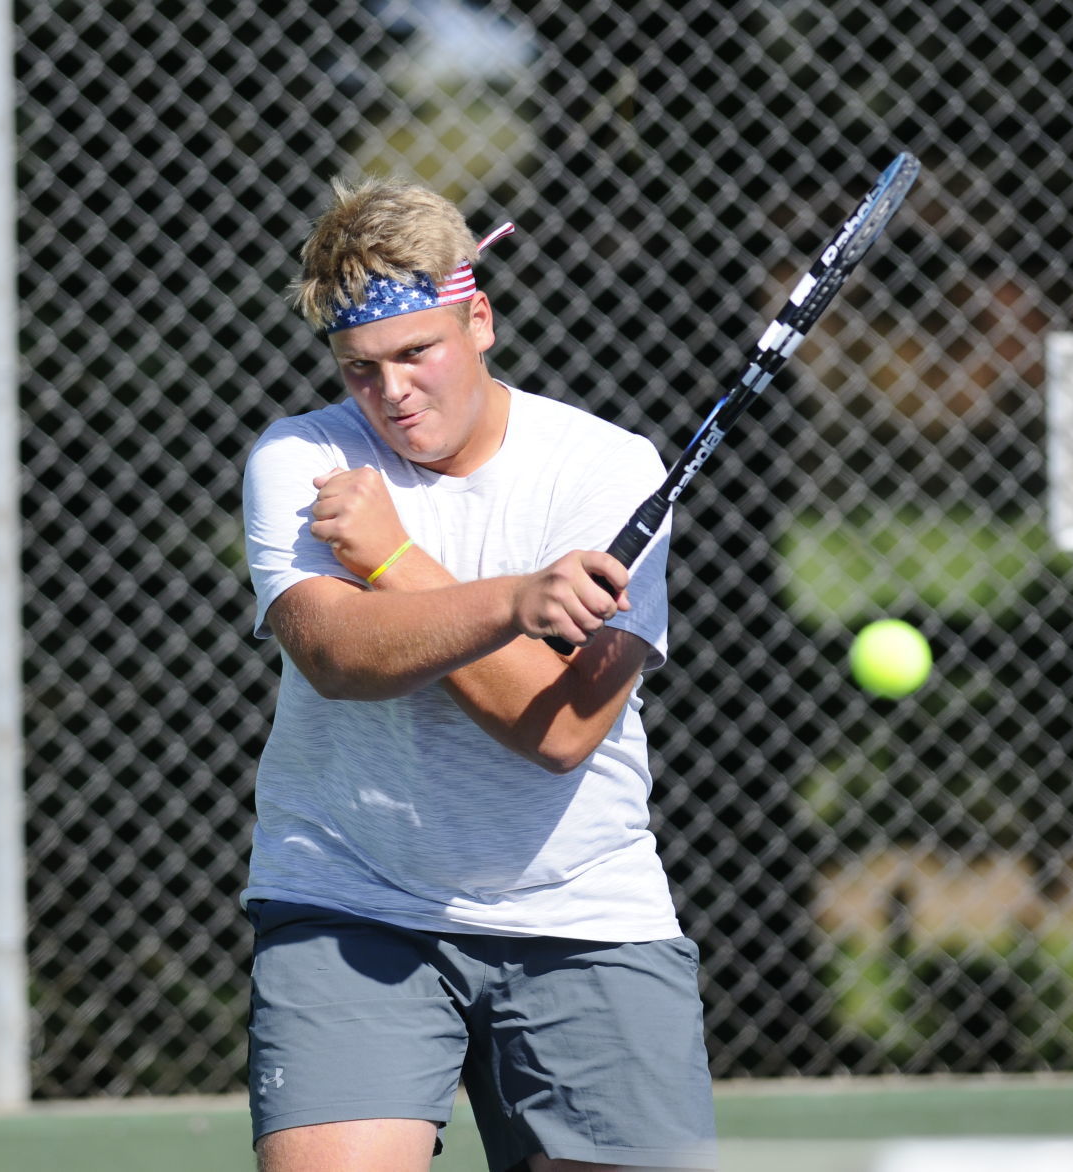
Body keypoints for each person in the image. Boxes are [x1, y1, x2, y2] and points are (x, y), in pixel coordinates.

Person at [239, 176, 717, 1172]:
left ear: (479, 320)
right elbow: (337, 656)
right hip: (351, 895)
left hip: (583, 908)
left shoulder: (607, 469)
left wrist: (394, 561)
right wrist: (508, 600)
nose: (392, 391)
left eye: (416, 351)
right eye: (361, 369)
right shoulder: (301, 457)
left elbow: (558, 729)